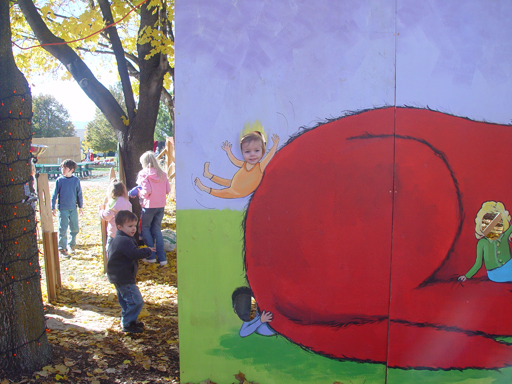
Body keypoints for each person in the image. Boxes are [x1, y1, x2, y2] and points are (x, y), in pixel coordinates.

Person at [107, 210, 155, 333]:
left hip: (118, 275)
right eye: (130, 226)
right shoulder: (124, 241)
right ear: (119, 227)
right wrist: (147, 250)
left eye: (134, 225)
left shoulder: (119, 238)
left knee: (126, 301)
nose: (133, 229)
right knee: (136, 301)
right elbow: (133, 253)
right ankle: (128, 324)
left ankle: (129, 321)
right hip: (124, 276)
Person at [194, 131, 279, 199]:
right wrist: (228, 151)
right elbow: (234, 161)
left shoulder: (260, 166)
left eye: (256, 151)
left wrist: (275, 145)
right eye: (247, 152)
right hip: (235, 183)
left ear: (262, 151)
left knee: (223, 192)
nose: (252, 155)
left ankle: (204, 188)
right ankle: (208, 175)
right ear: (242, 153)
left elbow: (269, 156)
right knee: (226, 182)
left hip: (238, 192)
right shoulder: (245, 164)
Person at [131, 151, 170, 266]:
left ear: (144, 162)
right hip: (161, 205)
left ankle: (150, 255)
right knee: (157, 230)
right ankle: (162, 258)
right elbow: (168, 190)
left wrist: (139, 192)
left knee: (145, 229)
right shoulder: (162, 174)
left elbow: (146, 191)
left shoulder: (144, 174)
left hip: (148, 206)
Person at [459, 201, 512, 283]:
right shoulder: (482, 243)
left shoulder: (504, 236)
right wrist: (467, 276)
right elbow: (478, 263)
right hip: (495, 273)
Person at [51, 159, 83, 258]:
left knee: (74, 228)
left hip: (73, 208)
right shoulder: (59, 180)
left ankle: (71, 246)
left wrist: (80, 207)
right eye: (62, 168)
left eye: (65, 168)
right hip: (63, 209)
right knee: (62, 228)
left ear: (71, 170)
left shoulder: (76, 180)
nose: (63, 170)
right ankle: (62, 248)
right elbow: (54, 194)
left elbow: (79, 194)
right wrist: (53, 207)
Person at [99, 179, 132, 252]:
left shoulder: (112, 202)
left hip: (114, 232)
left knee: (110, 249)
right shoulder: (127, 202)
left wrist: (101, 211)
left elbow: (107, 216)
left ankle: (111, 261)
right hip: (125, 231)